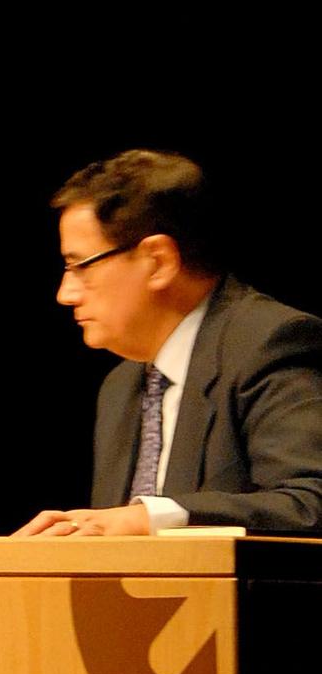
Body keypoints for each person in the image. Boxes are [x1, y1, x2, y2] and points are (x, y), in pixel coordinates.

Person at [16, 150, 322, 538]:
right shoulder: (121, 387)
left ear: (157, 261)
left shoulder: (271, 344)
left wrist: (147, 518)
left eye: (81, 266)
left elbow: (309, 502)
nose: (65, 293)